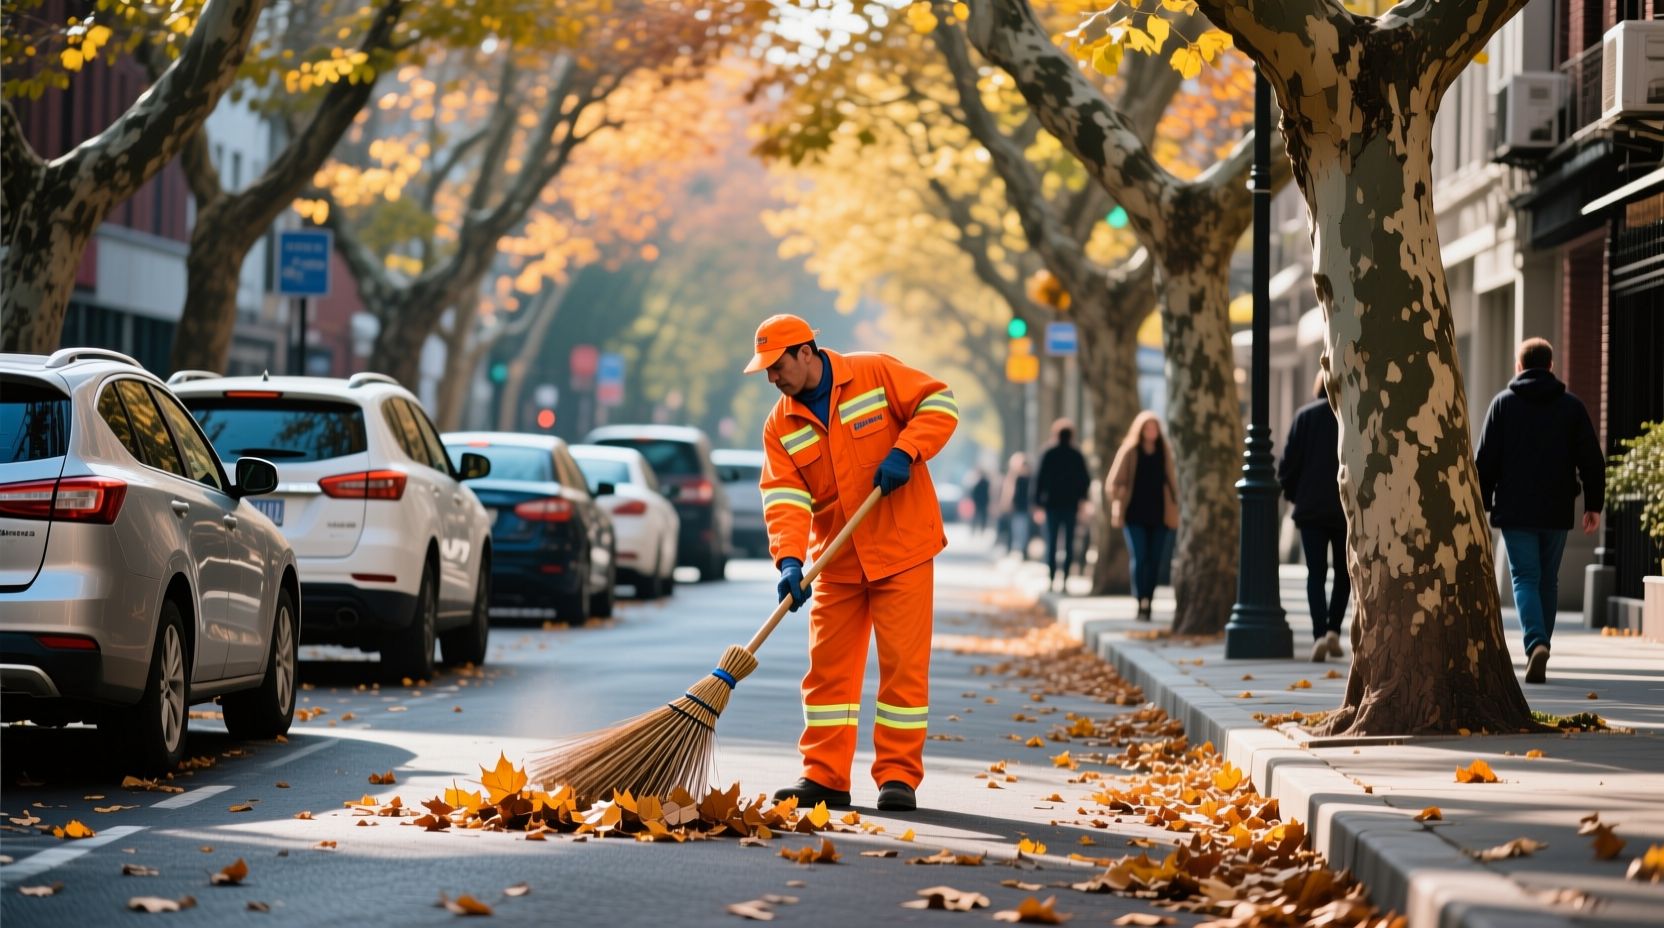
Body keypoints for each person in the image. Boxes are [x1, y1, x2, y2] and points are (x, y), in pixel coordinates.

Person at [746, 313, 957, 812]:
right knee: (827, 676)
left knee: (903, 669)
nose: (773, 379)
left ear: (806, 352)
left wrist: (907, 450)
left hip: (902, 550)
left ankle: (898, 778)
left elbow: (940, 402)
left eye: (777, 366)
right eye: (766, 371)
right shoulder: (780, 424)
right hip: (837, 561)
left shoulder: (875, 373)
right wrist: (791, 562)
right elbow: (784, 497)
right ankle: (825, 776)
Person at [1476, 337, 1604, 684]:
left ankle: (1535, 644)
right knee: (1548, 579)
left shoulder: (1502, 405)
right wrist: (1594, 504)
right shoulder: (1571, 407)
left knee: (1524, 578)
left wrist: (1482, 506)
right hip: (1556, 508)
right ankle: (1541, 644)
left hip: (1516, 510)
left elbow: (1484, 462)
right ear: (1551, 366)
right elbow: (1592, 459)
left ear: (1519, 367)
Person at [1278, 372, 1350, 662]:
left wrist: (1295, 495)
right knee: (1344, 573)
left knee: (1316, 573)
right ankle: (1334, 629)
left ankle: (1318, 634)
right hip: (1345, 509)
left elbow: (1287, 465)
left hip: (1310, 509)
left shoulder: (1304, 417)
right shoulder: (1351, 418)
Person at [1106, 412, 1178, 621]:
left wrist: (1176, 504)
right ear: (1140, 429)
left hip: (1159, 514)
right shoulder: (1130, 451)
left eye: (1155, 428)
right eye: (1147, 428)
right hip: (1134, 514)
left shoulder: (1165, 452)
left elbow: (1174, 483)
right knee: (1140, 557)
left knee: (1155, 560)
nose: (1151, 432)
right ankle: (1139, 600)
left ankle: (1150, 600)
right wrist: (1122, 494)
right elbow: (1114, 483)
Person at [1034, 419, 1092, 593]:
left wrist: (1037, 503)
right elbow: (1085, 480)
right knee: (1068, 543)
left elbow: (1039, 480)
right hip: (1071, 505)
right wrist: (1082, 500)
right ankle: (1065, 579)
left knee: (1052, 542)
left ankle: (1052, 579)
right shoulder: (1077, 454)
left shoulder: (1048, 453)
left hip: (1052, 505)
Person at [999, 452, 1033, 559]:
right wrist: (1007, 504)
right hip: (1017, 508)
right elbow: (1009, 493)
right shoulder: (1014, 478)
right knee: (1016, 530)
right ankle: (1016, 549)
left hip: (1024, 508)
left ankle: (1022, 550)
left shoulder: (1029, 479)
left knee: (1023, 530)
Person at [967, 468, 992, 536]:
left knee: (980, 517)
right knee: (979, 517)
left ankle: (979, 530)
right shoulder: (981, 482)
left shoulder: (981, 482)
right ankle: (976, 530)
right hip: (980, 502)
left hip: (982, 502)